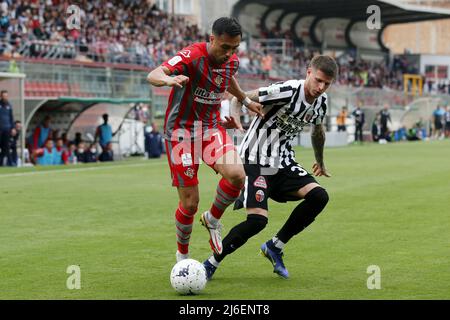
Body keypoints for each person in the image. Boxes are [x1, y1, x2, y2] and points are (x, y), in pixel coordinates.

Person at [202, 55, 337, 280]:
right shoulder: (287, 91)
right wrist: (236, 120)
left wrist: (320, 161)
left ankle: (275, 246)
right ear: (309, 72)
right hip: (255, 160)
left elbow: (317, 131)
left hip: (283, 162)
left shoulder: (321, 102)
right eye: (318, 80)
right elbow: (240, 97)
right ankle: (211, 262)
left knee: (319, 197)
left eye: (326, 84)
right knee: (257, 221)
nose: (320, 88)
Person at [147, 17, 264, 262]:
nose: (229, 53)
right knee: (190, 204)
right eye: (224, 47)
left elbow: (227, 79)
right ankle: (183, 257)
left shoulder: (231, 60)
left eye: (235, 48)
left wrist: (245, 100)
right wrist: (169, 79)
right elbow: (154, 74)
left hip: (209, 129)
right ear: (211, 39)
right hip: (181, 134)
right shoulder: (192, 56)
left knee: (237, 175)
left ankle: (212, 219)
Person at [0, 90, 14, 166]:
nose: (5, 97)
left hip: (7, 129)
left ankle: (3, 163)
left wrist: (13, 128)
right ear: (1, 96)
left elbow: (11, 118)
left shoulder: (9, 105)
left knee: (6, 147)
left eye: (6, 96)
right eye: (3, 96)